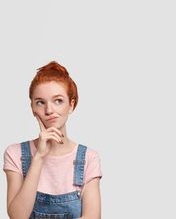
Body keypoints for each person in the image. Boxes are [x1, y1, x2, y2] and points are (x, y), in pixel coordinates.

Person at [3, 61, 102, 219]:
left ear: (71, 105)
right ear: (33, 109)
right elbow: (17, 216)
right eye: (40, 102)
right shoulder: (15, 153)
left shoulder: (89, 158)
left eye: (58, 101)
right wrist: (39, 157)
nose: (49, 110)